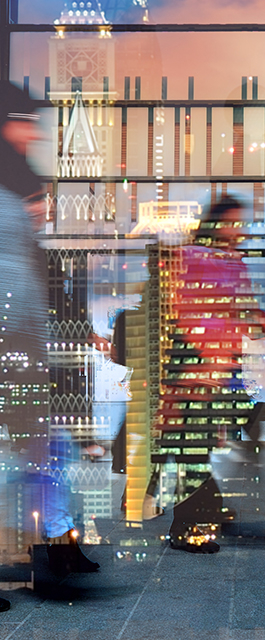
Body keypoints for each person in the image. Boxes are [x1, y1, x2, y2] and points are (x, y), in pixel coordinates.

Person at [0, 83, 98, 602]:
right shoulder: (8, 204)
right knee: (34, 458)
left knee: (45, 455)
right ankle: (53, 546)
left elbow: (39, 293)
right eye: (26, 121)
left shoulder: (18, 196)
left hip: (25, 354)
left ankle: (57, 545)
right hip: (14, 351)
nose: (46, 212)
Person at [157, 194, 265, 552]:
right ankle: (187, 527)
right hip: (196, 368)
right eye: (232, 222)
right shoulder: (190, 257)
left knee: (207, 445)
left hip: (222, 370)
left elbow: (246, 310)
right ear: (214, 223)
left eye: (241, 223)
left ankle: (207, 511)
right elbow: (181, 308)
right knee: (194, 451)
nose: (239, 230)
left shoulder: (234, 261)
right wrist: (205, 357)